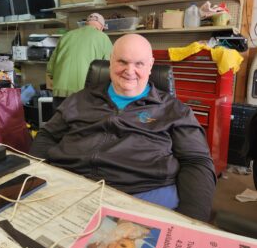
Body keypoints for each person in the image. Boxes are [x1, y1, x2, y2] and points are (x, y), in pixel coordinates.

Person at [30, 34, 216, 222]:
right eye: (122, 62)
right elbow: (46, 136)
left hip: (141, 196)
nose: (130, 70)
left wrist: (193, 221)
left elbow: (197, 161)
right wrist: (35, 180)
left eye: (139, 64)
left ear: (150, 65)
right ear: (110, 61)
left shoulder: (174, 111)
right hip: (70, 188)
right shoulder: (80, 99)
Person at [47, 12, 113, 109]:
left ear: (86, 23)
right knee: (81, 124)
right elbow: (110, 69)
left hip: (59, 92)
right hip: (84, 94)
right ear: (102, 28)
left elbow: (50, 68)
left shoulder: (66, 36)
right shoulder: (103, 37)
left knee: (59, 123)